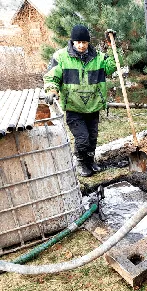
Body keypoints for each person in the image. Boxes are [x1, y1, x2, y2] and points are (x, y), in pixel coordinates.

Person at [43, 25, 118, 177]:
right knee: (82, 139)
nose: (81, 45)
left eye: (84, 42)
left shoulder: (98, 58)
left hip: (93, 105)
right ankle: (81, 163)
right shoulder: (61, 57)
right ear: (72, 41)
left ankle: (90, 162)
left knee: (92, 137)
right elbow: (52, 77)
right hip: (73, 106)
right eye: (78, 42)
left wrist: (113, 46)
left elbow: (113, 65)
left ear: (88, 42)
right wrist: (52, 90)